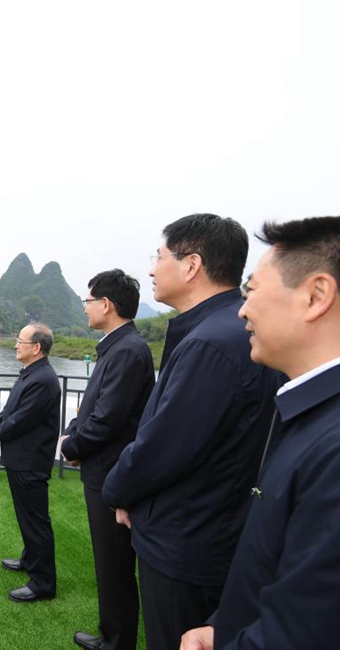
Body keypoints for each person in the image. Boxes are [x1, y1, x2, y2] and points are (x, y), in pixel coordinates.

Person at [101, 214, 279, 649]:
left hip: (185, 541)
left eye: (159, 257)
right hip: (215, 530)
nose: (151, 270)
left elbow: (164, 446)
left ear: (191, 265)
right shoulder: (233, 331)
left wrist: (117, 491)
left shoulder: (209, 342)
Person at [181, 216, 340, 650]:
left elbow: (302, 633)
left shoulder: (332, 445)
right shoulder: (309, 412)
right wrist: (225, 625)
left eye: (251, 291)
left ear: (316, 296)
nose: (242, 309)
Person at [60, 270, 155, 650]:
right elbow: (94, 409)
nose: (84, 308)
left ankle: (116, 641)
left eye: (88, 301)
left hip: (111, 475)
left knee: (114, 563)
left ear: (106, 304)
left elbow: (107, 419)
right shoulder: (117, 347)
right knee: (109, 561)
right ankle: (112, 634)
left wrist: (71, 448)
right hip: (102, 469)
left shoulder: (128, 350)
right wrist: (73, 435)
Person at [0, 322, 61, 602]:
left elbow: (22, 419)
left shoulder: (43, 379)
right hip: (21, 458)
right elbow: (10, 409)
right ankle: (30, 559)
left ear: (37, 347)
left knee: (36, 521)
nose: (16, 345)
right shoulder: (31, 373)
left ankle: (43, 583)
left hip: (31, 461)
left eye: (21, 341)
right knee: (26, 517)